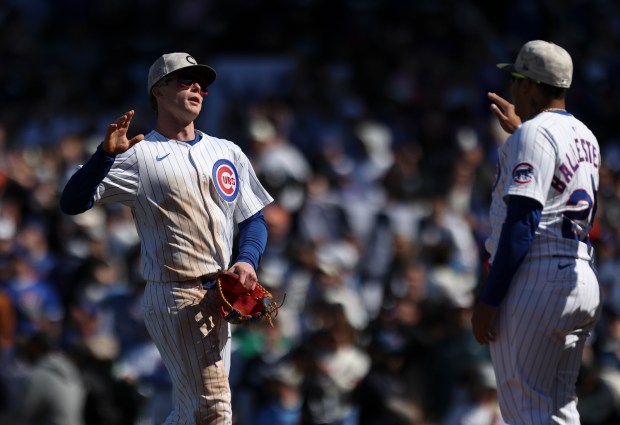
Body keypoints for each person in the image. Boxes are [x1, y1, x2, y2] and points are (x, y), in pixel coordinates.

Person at [60, 52, 274, 424]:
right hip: (175, 292)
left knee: (192, 409)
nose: (197, 88)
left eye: (201, 84)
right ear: (158, 90)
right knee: (214, 408)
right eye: (185, 80)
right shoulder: (138, 155)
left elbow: (254, 218)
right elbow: (72, 202)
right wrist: (102, 157)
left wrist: (247, 260)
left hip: (220, 294)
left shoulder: (227, 151)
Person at [471, 40, 602, 424]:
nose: (512, 87)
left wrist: (489, 300)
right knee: (560, 410)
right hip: (580, 275)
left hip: (537, 281)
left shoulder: (533, 134)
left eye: (515, 78)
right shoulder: (587, 136)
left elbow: (522, 224)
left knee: (525, 411)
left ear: (527, 85)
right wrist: (522, 132)